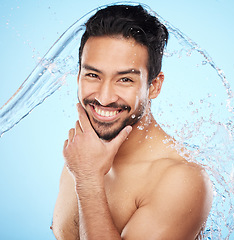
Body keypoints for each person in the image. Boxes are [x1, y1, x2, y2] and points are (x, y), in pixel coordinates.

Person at [52, 4, 213, 240]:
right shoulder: (81, 154)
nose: (104, 97)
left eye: (125, 79)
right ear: (78, 76)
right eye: (93, 75)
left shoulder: (181, 179)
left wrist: (88, 180)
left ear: (154, 86)